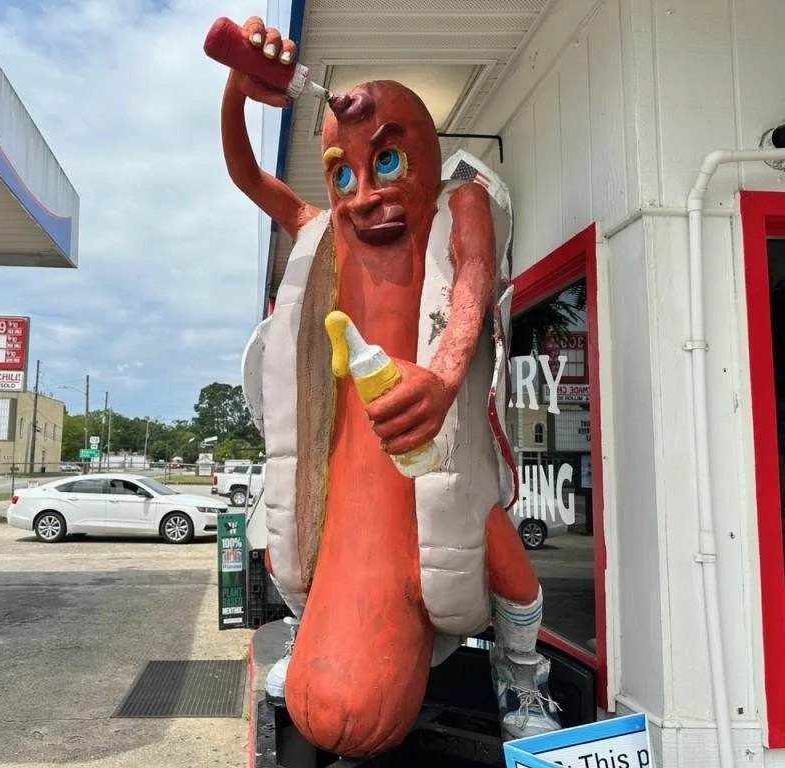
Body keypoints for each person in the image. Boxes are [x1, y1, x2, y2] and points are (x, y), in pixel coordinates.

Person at [221, 17, 561, 751]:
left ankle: (522, 671)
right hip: (346, 472)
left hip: (444, 463)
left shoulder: (458, 206)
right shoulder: (324, 238)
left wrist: (440, 381)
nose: (365, 194)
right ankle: (315, 632)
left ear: (427, 158)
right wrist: (236, 94)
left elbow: (472, 276)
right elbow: (250, 179)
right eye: (343, 174)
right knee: (288, 548)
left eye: (388, 164)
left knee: (507, 565)